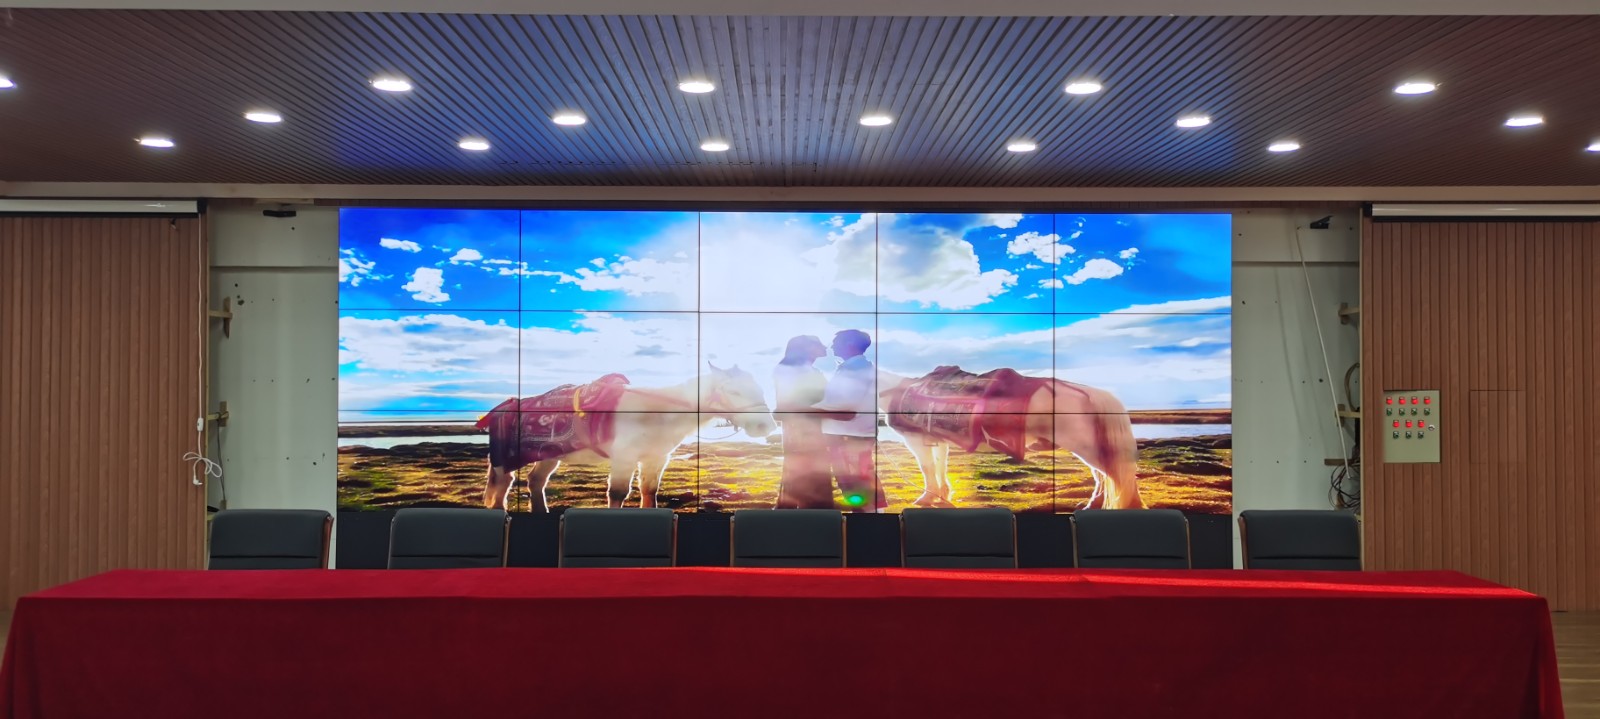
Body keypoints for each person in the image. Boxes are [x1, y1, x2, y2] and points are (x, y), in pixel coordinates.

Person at [815, 329, 885, 513]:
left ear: (850, 344)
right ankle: (871, 518)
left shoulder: (855, 369)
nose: (832, 346)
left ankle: (869, 521)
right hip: (850, 433)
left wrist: (805, 410)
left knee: (854, 482)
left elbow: (844, 408)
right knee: (858, 479)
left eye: (836, 342)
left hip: (848, 434)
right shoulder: (855, 367)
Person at [772, 336, 831, 509]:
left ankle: (812, 513)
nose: (824, 347)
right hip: (801, 431)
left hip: (813, 429)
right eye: (817, 344)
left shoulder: (810, 370)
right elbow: (787, 405)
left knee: (814, 474)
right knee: (806, 475)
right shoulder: (790, 370)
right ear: (805, 348)